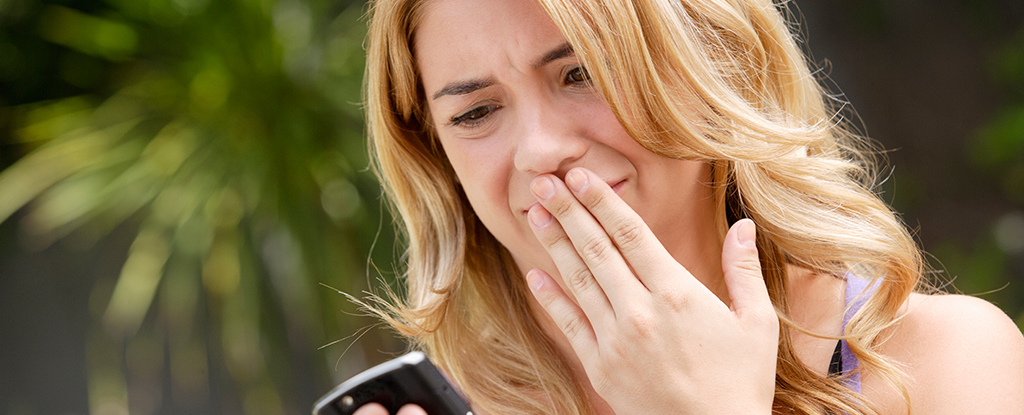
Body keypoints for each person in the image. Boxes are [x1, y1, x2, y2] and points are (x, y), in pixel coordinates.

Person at [351, 0, 1024, 413]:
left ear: (708, 62)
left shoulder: (944, 364)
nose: (540, 150)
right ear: (434, 152)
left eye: (580, 71)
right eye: (476, 111)